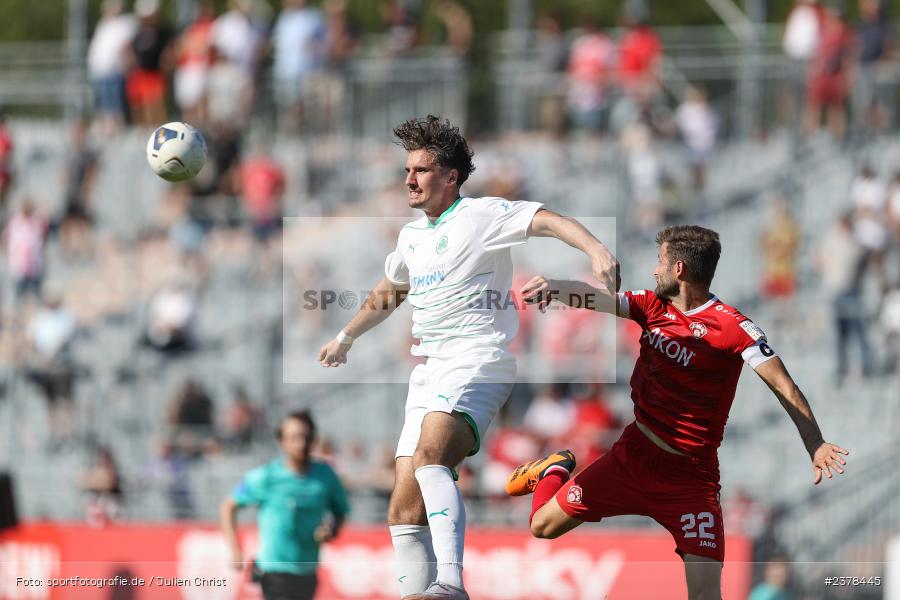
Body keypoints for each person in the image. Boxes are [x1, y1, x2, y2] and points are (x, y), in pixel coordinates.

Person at [317, 115, 619, 600]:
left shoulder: (481, 215)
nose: (409, 179)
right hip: (430, 371)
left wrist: (596, 249)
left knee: (430, 459)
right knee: (403, 509)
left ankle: (452, 584)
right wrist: (345, 336)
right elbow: (389, 291)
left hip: (479, 358)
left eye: (420, 170)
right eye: (407, 170)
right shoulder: (411, 237)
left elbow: (547, 220)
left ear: (450, 176)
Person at [505, 225, 848, 600]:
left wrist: (814, 443)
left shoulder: (733, 328)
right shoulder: (651, 306)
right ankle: (555, 469)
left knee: (705, 596)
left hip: (690, 481)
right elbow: (596, 298)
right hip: (632, 458)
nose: (655, 270)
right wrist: (554, 287)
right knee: (542, 526)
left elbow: (785, 386)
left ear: (679, 269)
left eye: (660, 261)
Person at [220, 411, 349, 600]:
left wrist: (331, 529)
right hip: (275, 571)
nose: (301, 444)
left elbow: (340, 511)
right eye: (294, 438)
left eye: (305, 437)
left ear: (313, 440)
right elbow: (228, 506)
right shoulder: (266, 476)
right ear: (282, 441)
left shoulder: (325, 476)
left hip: (307, 571)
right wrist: (234, 549)